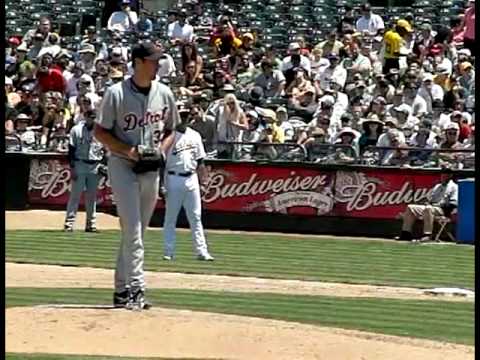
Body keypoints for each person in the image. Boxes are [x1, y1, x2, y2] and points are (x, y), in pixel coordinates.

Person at [94, 41, 180, 310]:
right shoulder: (116, 93)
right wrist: (129, 151)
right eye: (153, 60)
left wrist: (162, 152)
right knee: (132, 231)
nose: (158, 65)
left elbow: (172, 130)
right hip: (122, 165)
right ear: (139, 62)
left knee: (137, 232)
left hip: (151, 168)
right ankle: (136, 290)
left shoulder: (164, 93)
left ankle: (120, 291)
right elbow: (100, 132)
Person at [161, 108, 214, 262]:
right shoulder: (169, 136)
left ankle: (202, 251)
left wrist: (203, 182)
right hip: (173, 177)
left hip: (191, 178)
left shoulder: (194, 135)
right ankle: (168, 251)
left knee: (196, 217)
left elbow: (200, 161)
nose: (184, 119)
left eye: (186, 116)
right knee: (171, 217)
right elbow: (161, 162)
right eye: (181, 116)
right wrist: (161, 184)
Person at [64, 110, 104, 232]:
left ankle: (90, 225)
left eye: (94, 117)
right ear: (85, 117)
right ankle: (69, 224)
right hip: (80, 163)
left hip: (95, 165)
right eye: (90, 117)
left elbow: (106, 149)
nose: (92, 119)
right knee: (75, 196)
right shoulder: (76, 129)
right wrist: (72, 167)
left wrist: (104, 165)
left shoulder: (101, 131)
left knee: (92, 197)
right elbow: (71, 150)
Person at [397, 171, 458, 242]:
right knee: (410, 207)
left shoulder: (454, 187)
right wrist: (427, 202)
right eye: (442, 174)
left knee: (428, 208)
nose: (443, 176)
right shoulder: (437, 186)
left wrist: (439, 204)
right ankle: (406, 234)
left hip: (444, 210)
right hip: (431, 207)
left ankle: (427, 235)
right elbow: (430, 199)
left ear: (450, 176)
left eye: (445, 174)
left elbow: (454, 203)